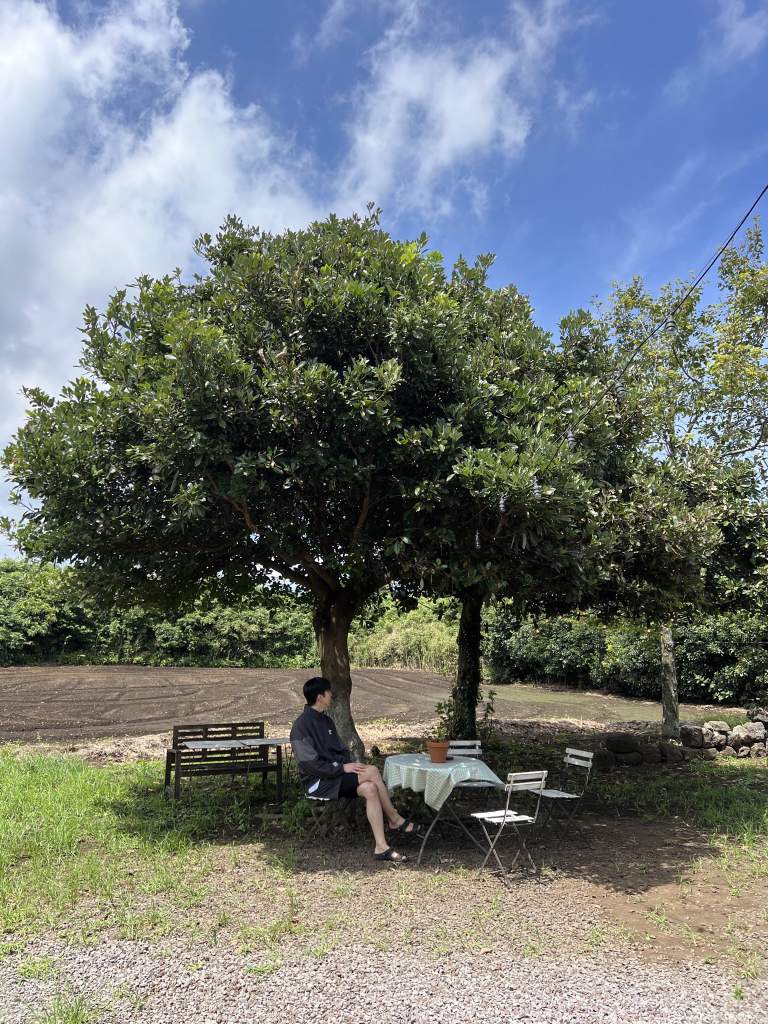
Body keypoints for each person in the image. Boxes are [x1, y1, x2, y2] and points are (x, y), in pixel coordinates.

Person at [290, 676, 423, 862]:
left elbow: (342, 750)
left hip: (335, 777)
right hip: (317, 783)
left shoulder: (327, 722)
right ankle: (394, 819)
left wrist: (343, 765)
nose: (331, 695)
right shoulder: (301, 726)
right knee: (372, 771)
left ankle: (381, 847)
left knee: (371, 788)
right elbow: (309, 765)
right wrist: (342, 768)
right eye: (328, 692)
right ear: (320, 696)